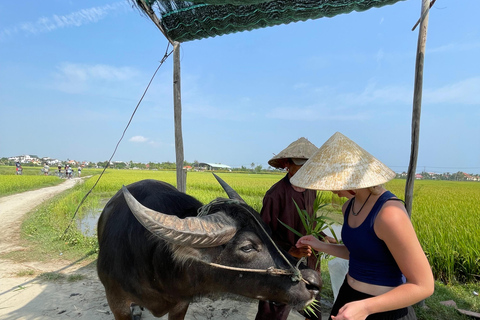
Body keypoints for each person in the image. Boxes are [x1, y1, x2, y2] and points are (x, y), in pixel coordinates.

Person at [292, 132, 434, 320]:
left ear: (351, 179)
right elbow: (359, 253)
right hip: (349, 297)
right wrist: (319, 244)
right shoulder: (349, 206)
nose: (332, 190)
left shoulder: (389, 213)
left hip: (384, 308)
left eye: (333, 183)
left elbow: (423, 285)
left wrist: (366, 308)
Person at [256, 137, 332, 320]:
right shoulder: (275, 195)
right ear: (287, 164)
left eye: (309, 165)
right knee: (273, 311)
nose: (305, 170)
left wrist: (323, 237)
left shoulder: (311, 190)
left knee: (312, 307)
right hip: (282, 262)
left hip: (310, 259)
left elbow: (310, 223)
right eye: (300, 165)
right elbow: (262, 237)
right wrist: (291, 252)